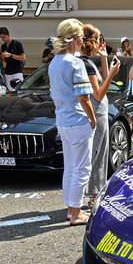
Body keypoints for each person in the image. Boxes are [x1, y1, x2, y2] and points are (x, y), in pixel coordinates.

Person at [48, 18, 96, 226]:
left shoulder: (54, 62)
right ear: (75, 39)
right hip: (77, 121)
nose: (83, 42)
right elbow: (84, 97)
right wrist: (93, 119)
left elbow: (53, 94)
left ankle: (71, 209)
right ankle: (76, 214)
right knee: (81, 168)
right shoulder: (75, 62)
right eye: (82, 38)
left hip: (63, 121)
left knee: (70, 167)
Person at [80, 24, 121, 202]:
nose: (100, 42)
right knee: (97, 155)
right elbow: (97, 94)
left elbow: (102, 81)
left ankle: (95, 193)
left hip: (100, 113)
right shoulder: (85, 64)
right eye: (97, 39)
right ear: (90, 41)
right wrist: (112, 74)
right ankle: (94, 195)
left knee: (100, 154)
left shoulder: (88, 62)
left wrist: (104, 59)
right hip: (96, 113)